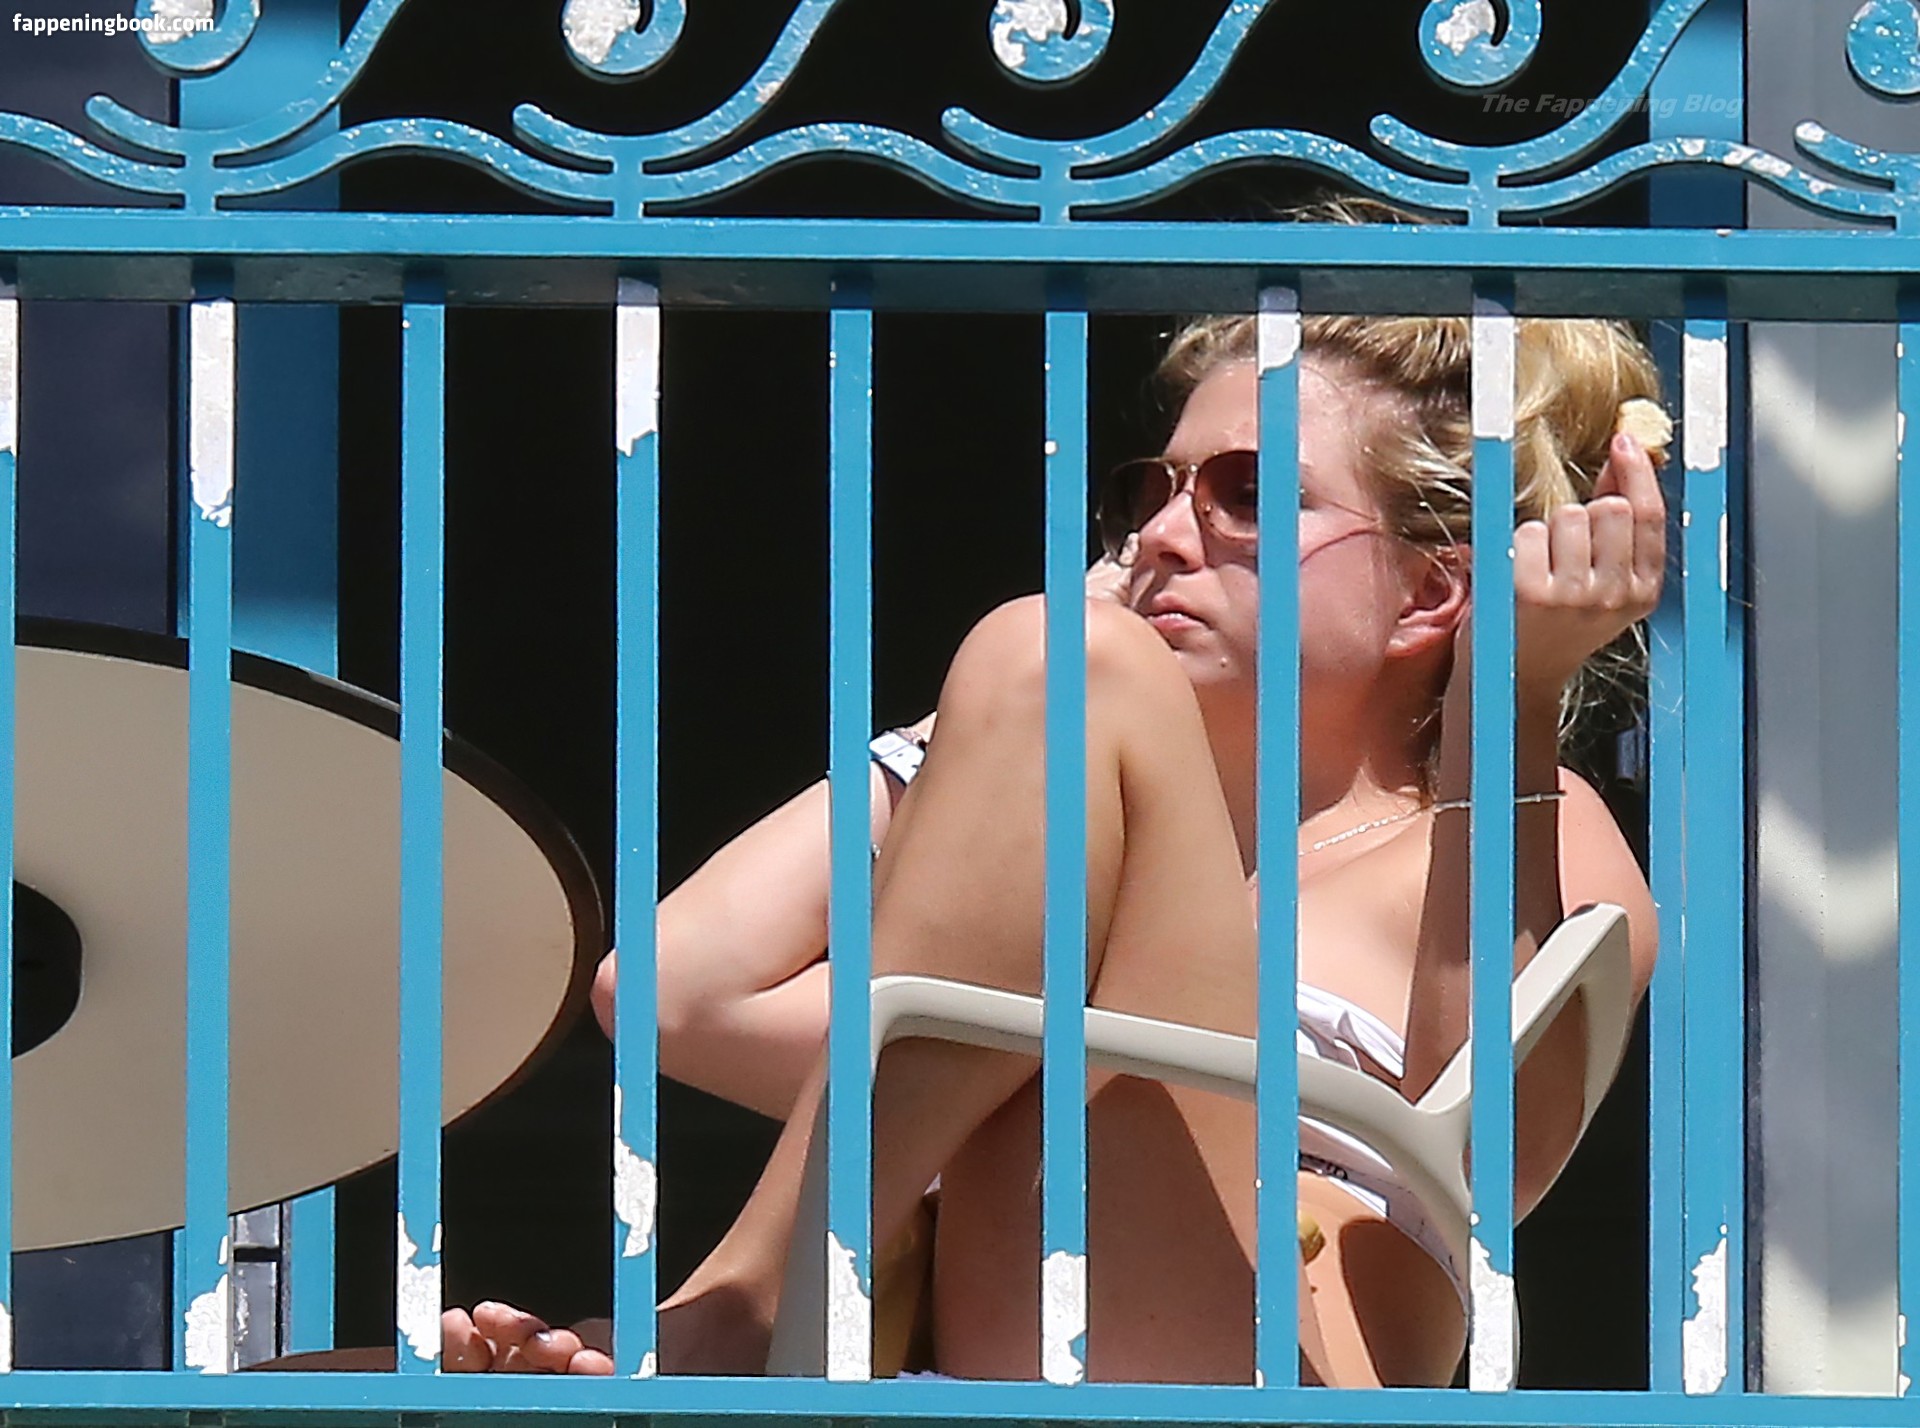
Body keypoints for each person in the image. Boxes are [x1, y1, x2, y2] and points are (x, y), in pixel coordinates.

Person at [443, 264, 1667, 1385]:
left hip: (1265, 1363)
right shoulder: (1038, 845)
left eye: (1247, 495)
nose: (1160, 538)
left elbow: (1493, 1164)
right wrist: (1009, 713)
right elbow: (670, 989)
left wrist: (1508, 694)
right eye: (1152, 492)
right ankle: (748, 1306)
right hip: (1016, 1333)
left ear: (1431, 591)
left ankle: (748, 1307)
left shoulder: (1525, 818)